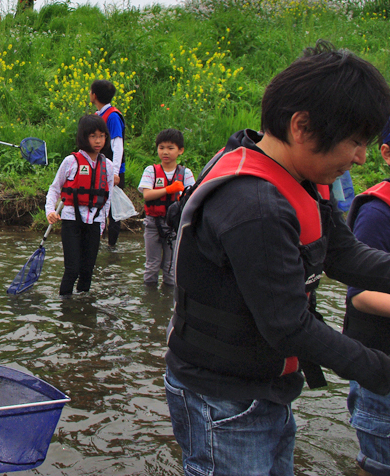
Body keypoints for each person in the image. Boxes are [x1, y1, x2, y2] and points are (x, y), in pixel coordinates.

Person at [164, 41, 390, 476]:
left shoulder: (298, 176)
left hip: (265, 389)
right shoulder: (255, 204)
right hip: (225, 402)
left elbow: (343, 255)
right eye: (355, 142)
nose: (361, 158)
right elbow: (288, 325)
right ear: (302, 126)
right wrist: (382, 369)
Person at [343, 123, 390, 476]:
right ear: (386, 154)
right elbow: (359, 295)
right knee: (378, 463)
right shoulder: (378, 212)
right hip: (379, 361)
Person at [45, 114, 114, 296]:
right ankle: (65, 308)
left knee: (87, 271)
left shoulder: (108, 166)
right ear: (84, 137)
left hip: (95, 222)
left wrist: (102, 227)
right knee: (72, 269)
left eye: (102, 136)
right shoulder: (71, 162)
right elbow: (54, 189)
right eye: (93, 136)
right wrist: (50, 211)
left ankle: (83, 309)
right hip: (71, 220)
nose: (98, 141)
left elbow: (108, 198)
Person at [137, 129, 194, 287]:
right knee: (152, 265)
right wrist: (169, 189)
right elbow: (147, 195)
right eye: (161, 147)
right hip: (153, 223)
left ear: (180, 150)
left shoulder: (186, 173)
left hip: (175, 225)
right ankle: (150, 300)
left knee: (170, 267)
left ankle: (168, 301)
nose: (165, 152)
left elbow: (191, 198)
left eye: (170, 148)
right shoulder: (151, 171)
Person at [90, 79, 126, 251]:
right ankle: (96, 241)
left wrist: (116, 172)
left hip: (112, 171)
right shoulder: (97, 116)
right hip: (98, 170)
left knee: (113, 211)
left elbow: (117, 144)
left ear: (94, 95)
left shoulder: (112, 116)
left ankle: (112, 246)